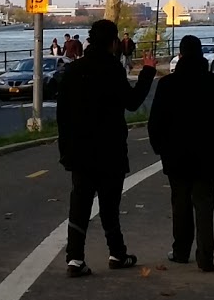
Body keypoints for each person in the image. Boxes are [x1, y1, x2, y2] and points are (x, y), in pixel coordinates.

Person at [56, 19, 157, 277]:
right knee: (109, 205)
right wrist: (147, 72)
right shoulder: (112, 69)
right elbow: (132, 102)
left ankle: (75, 258)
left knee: (79, 203)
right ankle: (117, 252)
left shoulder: (73, 71)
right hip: (109, 148)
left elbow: (62, 115)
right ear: (113, 43)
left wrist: (65, 150)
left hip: (79, 149)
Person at [147, 35, 214, 272]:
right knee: (205, 205)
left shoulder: (167, 85)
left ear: (181, 53)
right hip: (207, 152)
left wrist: (160, 147)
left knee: (181, 204)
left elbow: (155, 122)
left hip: (175, 154)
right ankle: (206, 257)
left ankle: (180, 251)